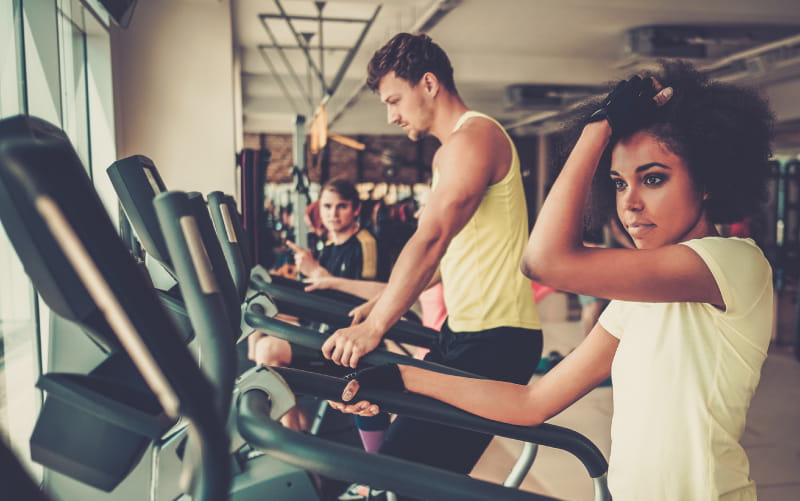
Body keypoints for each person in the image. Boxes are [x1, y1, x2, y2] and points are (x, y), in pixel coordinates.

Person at [333, 61, 775, 501]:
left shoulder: (731, 263)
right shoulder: (638, 300)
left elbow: (544, 260)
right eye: (619, 184)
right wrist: (400, 377)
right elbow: (532, 403)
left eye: (653, 179)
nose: (631, 204)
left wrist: (596, 131)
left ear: (708, 182)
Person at [320, 32, 543, 497]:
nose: (392, 115)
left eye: (395, 100)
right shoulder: (457, 150)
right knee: (404, 470)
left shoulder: (472, 139)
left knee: (405, 475)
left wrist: (378, 325)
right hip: (465, 337)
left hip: (493, 342)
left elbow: (433, 238)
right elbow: (451, 260)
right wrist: (382, 300)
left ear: (428, 83)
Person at [247, 177, 379, 431]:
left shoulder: (364, 244)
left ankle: (291, 431)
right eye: (327, 207)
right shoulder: (330, 246)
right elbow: (322, 293)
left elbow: (367, 301)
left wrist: (317, 272)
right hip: (322, 327)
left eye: (341, 206)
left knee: (268, 352)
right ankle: (296, 424)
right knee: (257, 328)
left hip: (343, 341)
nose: (333, 214)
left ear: (356, 209)